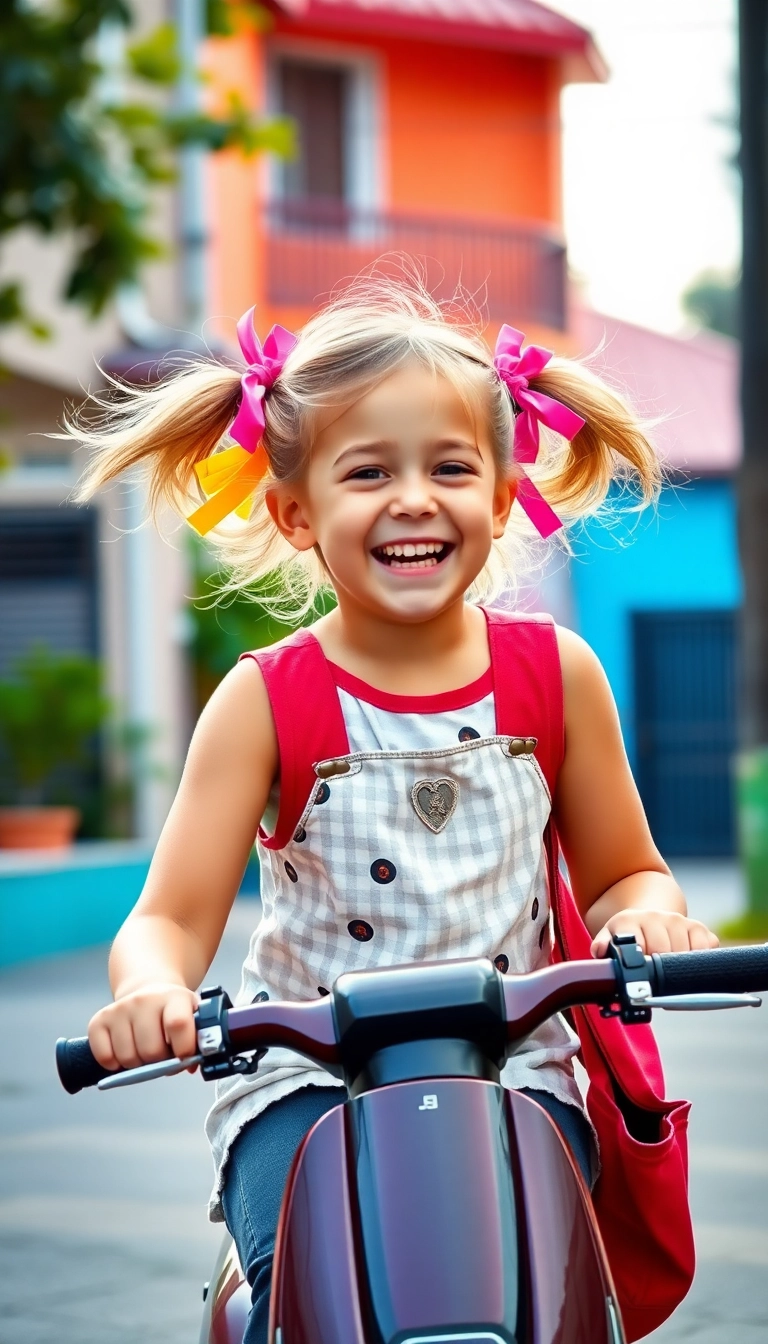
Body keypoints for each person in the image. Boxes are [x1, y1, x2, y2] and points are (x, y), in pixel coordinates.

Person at [71, 277, 718, 1344]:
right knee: (316, 1294)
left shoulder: (557, 675)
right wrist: (151, 989)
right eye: (368, 472)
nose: (413, 499)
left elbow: (625, 871)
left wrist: (644, 916)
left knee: (554, 1300)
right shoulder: (266, 699)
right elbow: (170, 918)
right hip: (304, 1083)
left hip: (521, 1076)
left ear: (503, 497)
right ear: (296, 512)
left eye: (450, 468)